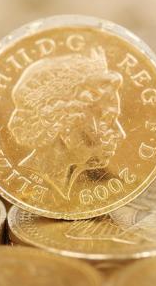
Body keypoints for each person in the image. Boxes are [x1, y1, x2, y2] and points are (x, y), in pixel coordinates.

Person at [8, 48, 126, 201]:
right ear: (65, 122)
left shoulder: (68, 181)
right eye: (107, 119)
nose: (120, 133)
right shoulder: (29, 179)